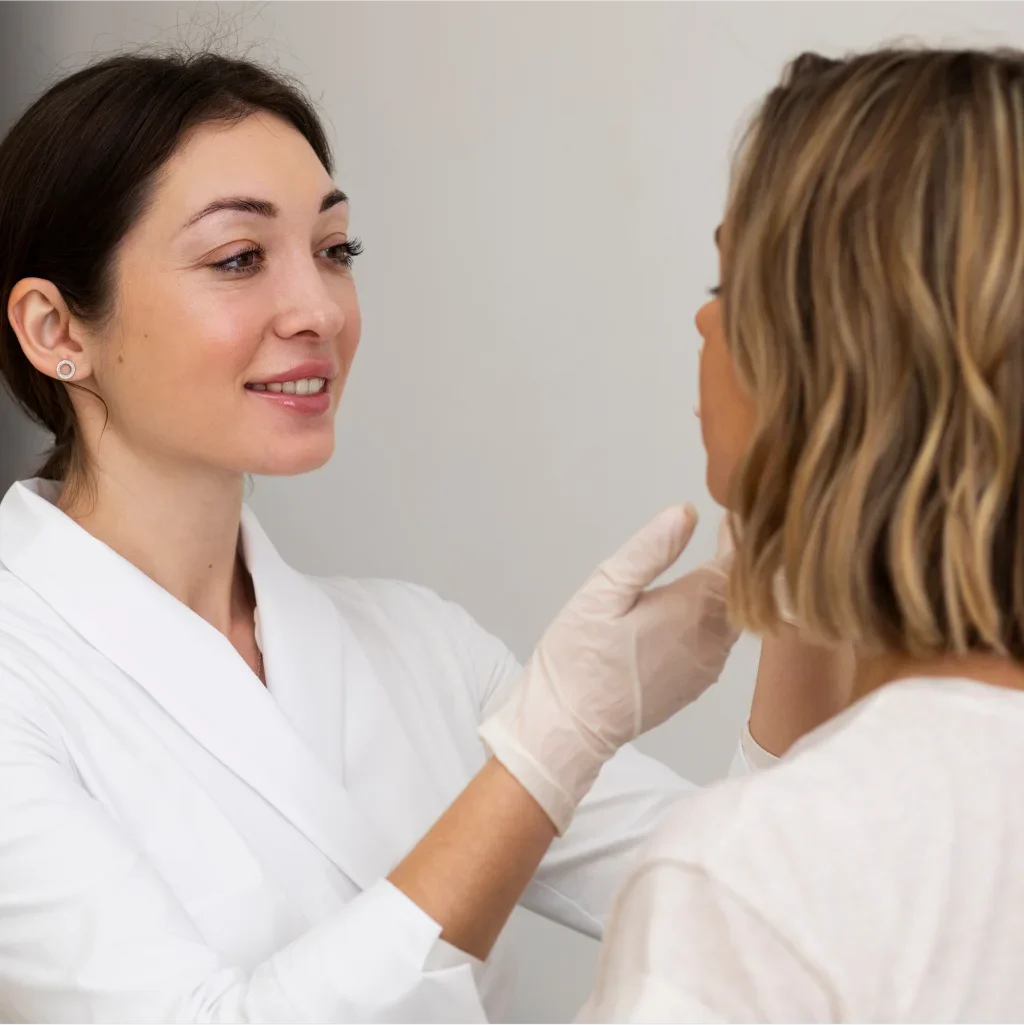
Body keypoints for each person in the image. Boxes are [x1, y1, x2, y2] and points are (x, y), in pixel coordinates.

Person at [0, 49, 845, 1024]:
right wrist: (550, 746)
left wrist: (802, 580)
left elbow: (761, 911)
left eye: (335, 250)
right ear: (55, 328)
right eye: (238, 258)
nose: (320, 310)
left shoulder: (417, 647)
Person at [576, 46, 1024, 1023]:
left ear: (828, 357)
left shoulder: (744, 881)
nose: (703, 324)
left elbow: (815, 870)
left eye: (728, 283)